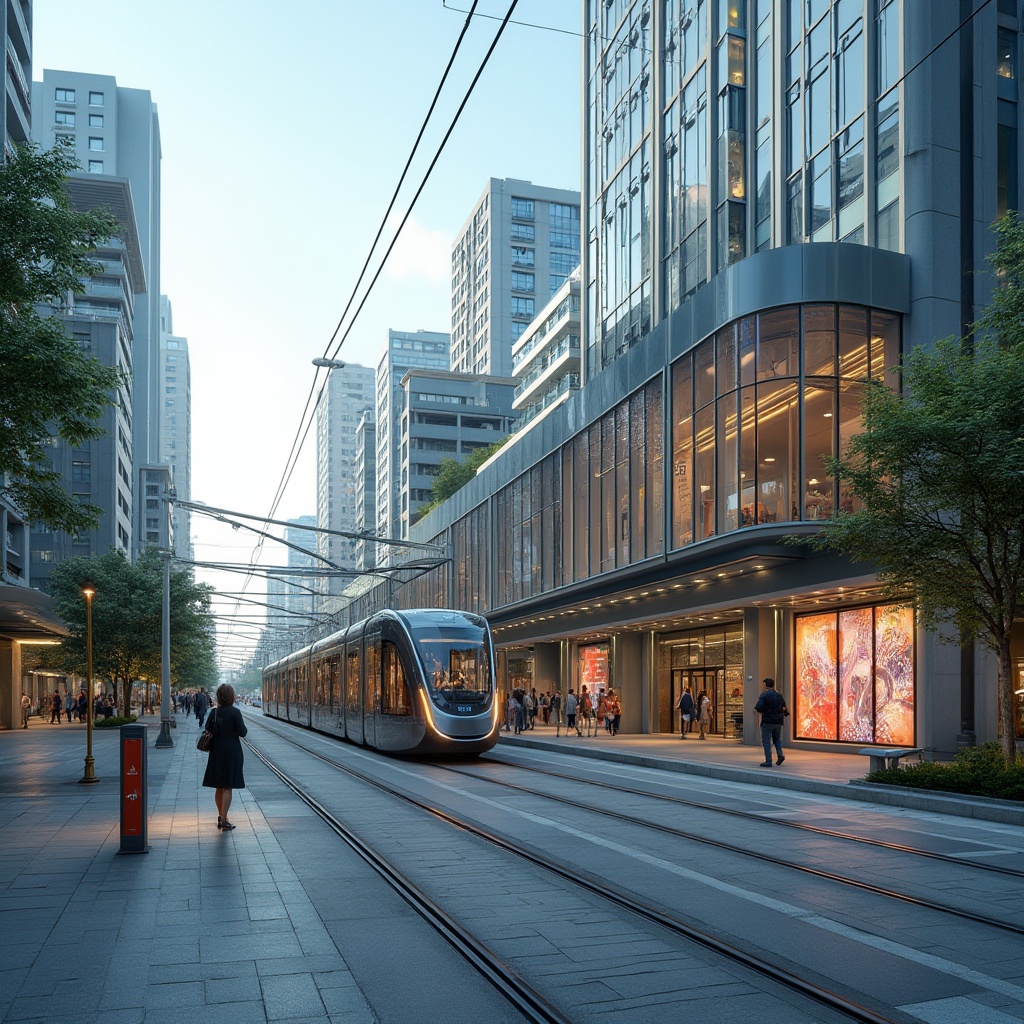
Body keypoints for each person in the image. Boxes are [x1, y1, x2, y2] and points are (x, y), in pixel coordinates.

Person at [201, 682, 248, 830]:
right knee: (228, 786)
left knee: (219, 786)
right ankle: (224, 820)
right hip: (232, 752)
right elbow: (243, 732)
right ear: (232, 696)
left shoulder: (215, 712)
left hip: (216, 751)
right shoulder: (235, 712)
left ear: (219, 696)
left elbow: (207, 729)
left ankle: (222, 816)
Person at [754, 677, 788, 767]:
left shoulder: (764, 695)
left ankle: (768, 761)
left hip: (767, 721)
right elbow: (784, 707)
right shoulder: (779, 695)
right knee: (777, 740)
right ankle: (780, 755)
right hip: (778, 721)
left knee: (766, 741)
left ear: (765, 685)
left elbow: (759, 707)